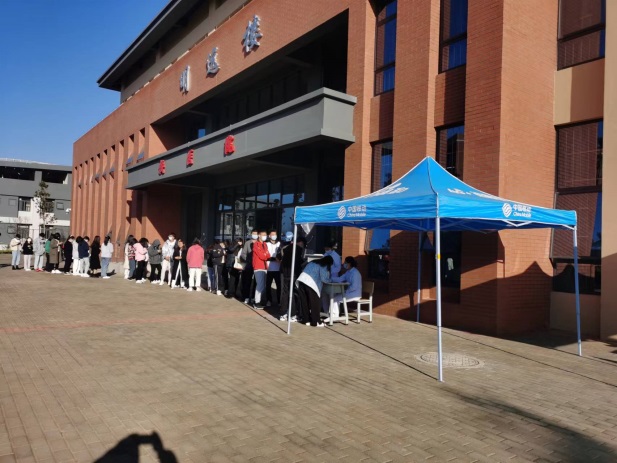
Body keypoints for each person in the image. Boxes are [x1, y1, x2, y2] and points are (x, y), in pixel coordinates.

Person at [295, 255, 333, 327]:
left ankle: (306, 320)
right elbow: (324, 279)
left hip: (301, 281)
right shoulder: (323, 265)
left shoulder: (313, 262)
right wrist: (331, 280)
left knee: (304, 302)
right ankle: (316, 322)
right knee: (315, 303)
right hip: (311, 283)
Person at [279, 233, 307, 322]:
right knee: (293, 294)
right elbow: (297, 263)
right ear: (301, 243)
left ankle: (283, 314)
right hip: (293, 274)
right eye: (303, 245)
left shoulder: (286, 248)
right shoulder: (297, 249)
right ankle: (292, 314)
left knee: (285, 293)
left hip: (285, 273)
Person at [328, 256, 363, 322]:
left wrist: (345, 291)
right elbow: (340, 279)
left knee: (335, 299)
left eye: (345, 262)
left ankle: (334, 316)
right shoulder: (348, 272)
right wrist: (330, 278)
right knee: (335, 297)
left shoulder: (355, 273)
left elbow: (354, 287)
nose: (344, 264)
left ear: (350, 263)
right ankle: (333, 315)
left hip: (354, 294)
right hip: (349, 292)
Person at [252, 230, 271, 309]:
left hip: (264, 266)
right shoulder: (256, 244)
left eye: (265, 235)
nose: (264, 236)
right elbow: (261, 255)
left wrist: (265, 254)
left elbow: (268, 255)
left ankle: (259, 300)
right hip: (258, 266)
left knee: (263, 285)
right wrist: (265, 254)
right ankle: (257, 302)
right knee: (260, 285)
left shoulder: (265, 244)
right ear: (259, 235)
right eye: (263, 235)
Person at [240, 229, 258, 304]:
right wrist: (248, 259)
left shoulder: (259, 243)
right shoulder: (247, 243)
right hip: (249, 265)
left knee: (256, 283)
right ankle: (246, 297)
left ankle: (254, 297)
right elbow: (243, 254)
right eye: (253, 233)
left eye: (256, 234)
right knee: (247, 282)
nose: (254, 235)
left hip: (257, 265)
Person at [265, 230, 282, 307]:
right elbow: (265, 256)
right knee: (268, 286)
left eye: (275, 234)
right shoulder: (266, 244)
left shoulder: (279, 244)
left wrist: (277, 258)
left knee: (279, 286)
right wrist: (273, 258)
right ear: (269, 236)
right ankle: (269, 300)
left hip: (278, 269)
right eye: (272, 234)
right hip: (269, 269)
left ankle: (279, 301)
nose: (274, 236)